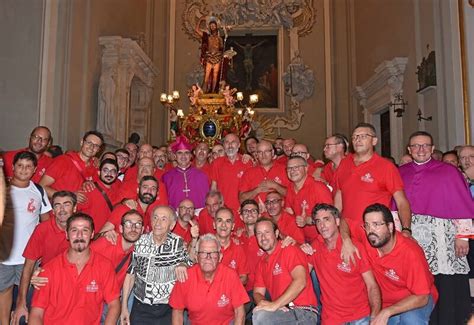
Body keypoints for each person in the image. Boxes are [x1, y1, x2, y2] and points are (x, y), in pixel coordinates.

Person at [399, 131, 474, 324]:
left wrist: (463, 236)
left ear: (432, 149)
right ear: (409, 149)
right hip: (412, 235)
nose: (421, 149)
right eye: (416, 146)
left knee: (445, 283)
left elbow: (461, 204)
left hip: (443, 239)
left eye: (425, 145)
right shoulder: (401, 172)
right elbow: (395, 207)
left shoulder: (449, 171)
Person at [29, 213, 120, 324]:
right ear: (67, 234)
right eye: (74, 230)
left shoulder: (104, 266)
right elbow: (37, 313)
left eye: (85, 230)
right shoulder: (49, 269)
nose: (79, 235)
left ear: (92, 234)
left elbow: (114, 304)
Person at [301, 203, 381, 324]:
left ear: (337, 222)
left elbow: (372, 286)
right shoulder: (315, 247)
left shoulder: (354, 248)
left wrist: (375, 318)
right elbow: (299, 277)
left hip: (360, 317)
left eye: (326, 220)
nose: (322, 225)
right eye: (318, 221)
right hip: (332, 319)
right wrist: (298, 251)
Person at [334, 122, 412, 245]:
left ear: (374, 141)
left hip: (375, 233)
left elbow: (401, 201)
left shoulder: (386, 167)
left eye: (363, 136)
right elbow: (339, 196)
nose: (357, 140)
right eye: (354, 137)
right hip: (348, 234)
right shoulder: (344, 164)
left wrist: (406, 229)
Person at [362, 203, 437, 324]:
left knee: (410, 320)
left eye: (376, 225)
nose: (371, 231)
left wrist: (387, 312)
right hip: (386, 303)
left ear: (390, 227)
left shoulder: (410, 252)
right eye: (367, 225)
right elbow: (345, 223)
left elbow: (422, 296)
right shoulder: (369, 240)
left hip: (416, 299)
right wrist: (346, 240)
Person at [0, 151, 51, 325]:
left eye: (28, 166)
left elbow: (46, 223)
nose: (24, 169)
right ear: (13, 167)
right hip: (4, 255)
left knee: (26, 302)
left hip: (28, 258)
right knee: (4, 297)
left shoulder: (38, 191)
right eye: (20, 165)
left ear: (35, 169)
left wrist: (43, 251)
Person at [12, 191, 77, 325]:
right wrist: (21, 303)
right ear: (53, 210)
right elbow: (28, 266)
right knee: (22, 319)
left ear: (75, 208)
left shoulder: (82, 228)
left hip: (73, 283)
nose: (62, 209)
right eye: (57, 205)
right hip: (45, 281)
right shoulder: (43, 229)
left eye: (67, 204)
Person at [120, 206, 192, 325]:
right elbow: (130, 274)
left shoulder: (178, 243)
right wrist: (124, 308)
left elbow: (190, 264)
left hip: (168, 309)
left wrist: (183, 263)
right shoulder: (140, 242)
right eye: (155, 218)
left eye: (164, 219)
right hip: (141, 307)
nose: (158, 223)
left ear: (172, 224)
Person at [169, 234, 249, 324]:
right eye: (203, 252)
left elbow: (240, 312)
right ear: (196, 256)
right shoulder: (185, 277)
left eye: (213, 252)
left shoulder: (231, 276)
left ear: (220, 257)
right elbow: (177, 312)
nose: (208, 257)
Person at [252, 218, 318, 325]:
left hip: (303, 312)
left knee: (261, 317)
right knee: (259, 312)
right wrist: (264, 303)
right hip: (283, 313)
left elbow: (301, 281)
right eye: (259, 233)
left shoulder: (289, 249)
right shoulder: (261, 263)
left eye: (267, 232)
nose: (263, 237)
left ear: (276, 233)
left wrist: (275, 305)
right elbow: (257, 292)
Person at [39, 130, 103, 199]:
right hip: (61, 208)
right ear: (82, 142)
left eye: (96, 146)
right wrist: (69, 197)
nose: (91, 147)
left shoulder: (96, 167)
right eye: (89, 142)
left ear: (98, 150)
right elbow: (42, 186)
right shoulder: (63, 161)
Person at [285, 156, 333, 242]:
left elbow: (330, 216)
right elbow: (289, 213)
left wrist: (307, 220)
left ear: (306, 168)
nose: (292, 171)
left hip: (321, 240)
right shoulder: (290, 188)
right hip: (302, 240)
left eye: (296, 167)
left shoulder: (318, 187)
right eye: (289, 168)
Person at [210, 133, 253, 228]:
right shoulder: (217, 163)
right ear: (223, 145)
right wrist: (216, 206)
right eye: (227, 142)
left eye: (233, 142)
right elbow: (213, 188)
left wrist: (247, 207)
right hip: (223, 211)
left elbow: (253, 187)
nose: (230, 145)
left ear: (238, 145)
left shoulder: (247, 162)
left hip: (243, 211)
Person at [162, 136, 210, 210]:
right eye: (180, 153)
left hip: (197, 216)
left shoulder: (202, 176)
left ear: (191, 156)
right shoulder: (167, 177)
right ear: (175, 156)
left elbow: (207, 201)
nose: (183, 156)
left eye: (187, 153)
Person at [77, 158, 121, 231]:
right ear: (99, 173)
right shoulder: (88, 189)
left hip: (107, 237)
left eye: (113, 171)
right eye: (105, 170)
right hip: (90, 237)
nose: (109, 174)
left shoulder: (117, 188)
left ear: (116, 175)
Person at [239, 140, 289, 204]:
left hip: (281, 213)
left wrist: (276, 186)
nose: (263, 155)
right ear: (256, 154)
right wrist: (257, 190)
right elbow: (241, 199)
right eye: (260, 152)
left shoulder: (285, 169)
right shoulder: (249, 172)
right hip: (256, 213)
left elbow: (294, 195)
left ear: (273, 152)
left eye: (266, 151)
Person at [214, 207, 249, 285]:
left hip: (231, 293)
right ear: (214, 224)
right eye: (220, 220)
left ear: (233, 226)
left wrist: (226, 286)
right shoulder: (205, 246)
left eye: (228, 221)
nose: (223, 225)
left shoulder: (238, 247)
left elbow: (244, 277)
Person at [195, 17, 225, 93]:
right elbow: (197, 30)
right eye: (211, 25)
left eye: (214, 25)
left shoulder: (220, 38)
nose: (212, 27)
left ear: (216, 27)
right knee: (207, 75)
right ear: (209, 27)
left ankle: (213, 91)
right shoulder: (207, 37)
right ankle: (205, 90)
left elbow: (221, 48)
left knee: (215, 75)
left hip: (217, 57)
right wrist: (200, 20)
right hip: (209, 57)